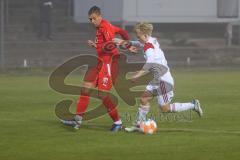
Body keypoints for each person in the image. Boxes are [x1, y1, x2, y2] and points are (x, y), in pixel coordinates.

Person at [114, 22, 203, 132]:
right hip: (157, 79)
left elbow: (149, 63)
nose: (138, 39)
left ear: (145, 35)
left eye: (139, 36)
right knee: (144, 99)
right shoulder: (151, 40)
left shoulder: (149, 47)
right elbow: (139, 43)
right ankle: (138, 124)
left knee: (165, 109)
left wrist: (137, 75)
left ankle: (193, 105)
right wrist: (124, 42)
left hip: (164, 81)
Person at [62, 6, 130, 132]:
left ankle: (118, 122)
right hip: (99, 63)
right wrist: (97, 45)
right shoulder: (102, 27)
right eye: (90, 19)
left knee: (103, 95)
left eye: (94, 18)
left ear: (100, 16)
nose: (92, 21)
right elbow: (121, 31)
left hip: (107, 64)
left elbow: (110, 45)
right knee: (85, 88)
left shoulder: (105, 27)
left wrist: (126, 44)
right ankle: (77, 120)